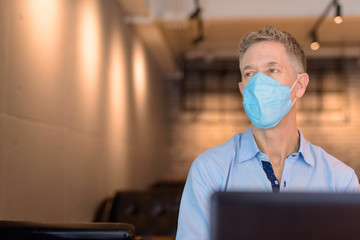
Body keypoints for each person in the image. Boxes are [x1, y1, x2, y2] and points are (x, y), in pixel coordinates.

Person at [175, 26, 360, 240]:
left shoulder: (340, 180)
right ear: (243, 89)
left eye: (272, 70)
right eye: (249, 73)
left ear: (300, 85)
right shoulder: (210, 170)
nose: (257, 83)